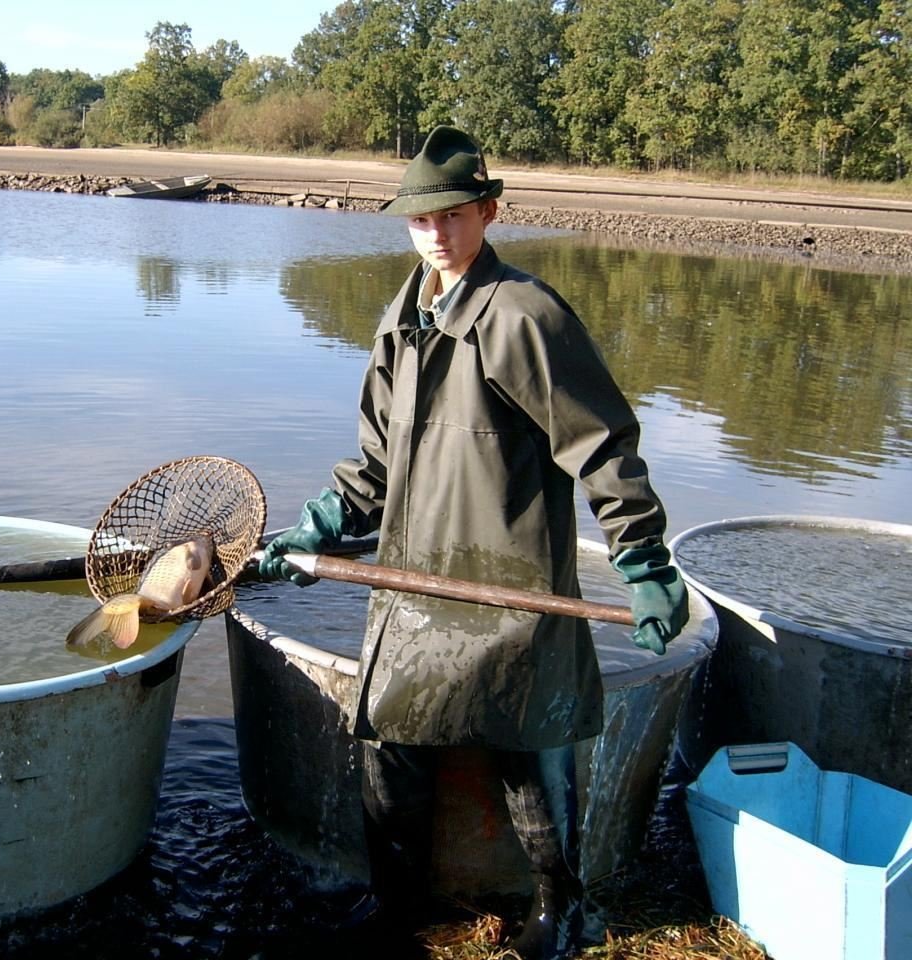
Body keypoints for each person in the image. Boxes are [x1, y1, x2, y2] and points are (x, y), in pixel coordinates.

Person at [259, 125, 689, 960]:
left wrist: (643, 561)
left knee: (528, 747)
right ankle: (399, 916)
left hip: (511, 584)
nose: (439, 234)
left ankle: (565, 911)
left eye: (455, 216)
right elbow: (377, 463)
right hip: (416, 586)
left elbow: (601, 446)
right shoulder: (399, 320)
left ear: (490, 212)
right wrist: (319, 524)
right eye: (423, 220)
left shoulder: (526, 315)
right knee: (391, 748)